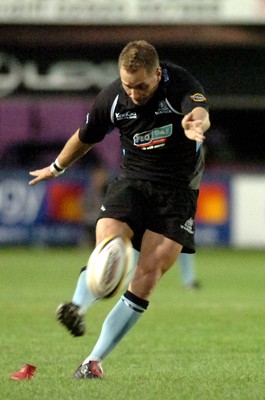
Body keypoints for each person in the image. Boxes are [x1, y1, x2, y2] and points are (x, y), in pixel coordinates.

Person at [29, 40, 211, 379]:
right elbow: (85, 136)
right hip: (132, 183)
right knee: (110, 245)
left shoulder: (181, 84)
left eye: (141, 85)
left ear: (157, 74)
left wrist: (195, 124)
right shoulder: (113, 98)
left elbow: (198, 111)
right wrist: (55, 168)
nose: (134, 92)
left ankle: (93, 361)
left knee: (147, 275)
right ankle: (77, 306)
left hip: (178, 193)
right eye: (128, 85)